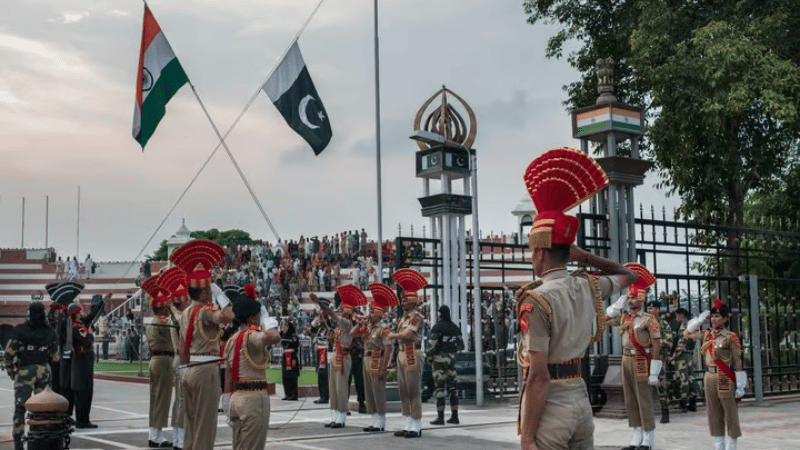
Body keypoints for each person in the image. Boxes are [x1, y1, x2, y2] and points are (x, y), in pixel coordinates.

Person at [517, 148, 638, 450]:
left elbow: (538, 376)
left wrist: (528, 437)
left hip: (552, 406)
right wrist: (586, 257)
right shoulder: (588, 286)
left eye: (532, 251)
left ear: (540, 252)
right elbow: (628, 274)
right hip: (580, 399)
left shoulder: (536, 300)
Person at [173, 240, 233, 450]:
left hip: (189, 369)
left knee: (191, 424)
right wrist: (221, 296)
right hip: (206, 369)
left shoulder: (185, 313)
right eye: (208, 290)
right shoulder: (206, 311)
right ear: (204, 293)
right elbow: (227, 316)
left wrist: (184, 370)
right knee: (205, 426)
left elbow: (183, 347)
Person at [606, 263, 661, 450]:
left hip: (641, 360)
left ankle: (648, 437)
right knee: (630, 399)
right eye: (629, 297)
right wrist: (617, 306)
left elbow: (656, 345)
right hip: (625, 360)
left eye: (633, 298)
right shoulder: (624, 317)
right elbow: (605, 320)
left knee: (643, 399)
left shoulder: (649, 319)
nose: (630, 301)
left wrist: (654, 372)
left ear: (642, 298)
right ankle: (637, 435)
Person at [222, 285, 280, 450]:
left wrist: (226, 400)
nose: (260, 318)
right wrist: (268, 321)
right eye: (258, 315)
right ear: (251, 319)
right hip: (253, 399)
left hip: (236, 398)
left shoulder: (232, 340)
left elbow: (228, 375)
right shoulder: (252, 336)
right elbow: (274, 336)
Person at [684, 299, 745, 450]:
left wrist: (741, 385)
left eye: (717, 316)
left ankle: (732, 444)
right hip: (709, 376)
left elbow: (737, 361)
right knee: (713, 411)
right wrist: (699, 321)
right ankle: (719, 444)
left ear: (724, 318)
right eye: (712, 316)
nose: (713, 319)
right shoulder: (706, 334)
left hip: (724, 375)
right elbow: (687, 333)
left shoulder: (730, 336)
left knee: (729, 411)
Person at [4, 301, 60, 450]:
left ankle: (18, 441)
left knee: (20, 408)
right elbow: (56, 357)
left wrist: (11, 369)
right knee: (41, 408)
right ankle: (39, 437)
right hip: (43, 371)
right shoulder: (50, 332)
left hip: (24, 372)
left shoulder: (20, 330)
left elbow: (8, 354)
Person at [309, 285, 366, 428]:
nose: (339, 312)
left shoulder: (347, 324)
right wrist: (328, 334)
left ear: (346, 313)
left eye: (341, 310)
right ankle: (335, 416)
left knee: (341, 387)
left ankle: (341, 417)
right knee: (333, 387)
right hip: (336, 356)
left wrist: (319, 303)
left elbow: (331, 314)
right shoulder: (339, 328)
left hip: (344, 357)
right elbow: (333, 340)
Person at [387, 268, 428, 438]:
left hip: (412, 354)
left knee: (413, 390)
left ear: (412, 302)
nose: (402, 303)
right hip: (402, 354)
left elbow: (408, 334)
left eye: (405, 301)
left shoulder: (416, 317)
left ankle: (416, 426)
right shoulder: (402, 319)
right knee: (403, 391)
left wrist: (393, 336)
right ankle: (408, 424)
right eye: (402, 300)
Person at [159, 266, 190, 450]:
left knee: (179, 401)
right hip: (182, 359)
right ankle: (180, 440)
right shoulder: (180, 317)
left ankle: (179, 439)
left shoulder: (177, 316)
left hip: (179, 360)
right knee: (182, 402)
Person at [143, 275, 175, 448]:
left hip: (155, 360)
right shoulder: (163, 321)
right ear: (161, 308)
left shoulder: (152, 322)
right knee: (162, 398)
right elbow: (176, 324)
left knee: (155, 397)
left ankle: (153, 433)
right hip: (164, 361)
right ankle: (157, 435)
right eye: (166, 306)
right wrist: (173, 311)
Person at [359, 282, 396, 432]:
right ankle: (374, 419)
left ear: (379, 314)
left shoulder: (383, 328)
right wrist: (363, 323)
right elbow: (357, 335)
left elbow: (388, 348)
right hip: (367, 360)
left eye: (372, 312)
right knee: (369, 391)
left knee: (377, 391)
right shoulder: (368, 328)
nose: (370, 314)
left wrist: (383, 368)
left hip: (377, 359)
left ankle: (381, 421)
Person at [427, 304, 465, 425]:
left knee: (440, 388)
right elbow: (461, 346)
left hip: (439, 359)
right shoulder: (455, 327)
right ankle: (455, 416)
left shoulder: (437, 327)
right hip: (451, 359)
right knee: (452, 388)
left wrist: (430, 357)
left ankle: (440, 417)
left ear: (440, 314)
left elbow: (431, 345)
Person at [68, 301, 98, 428]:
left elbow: (89, 319)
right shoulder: (77, 327)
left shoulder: (77, 325)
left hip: (82, 359)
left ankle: (82, 418)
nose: (82, 313)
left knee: (82, 390)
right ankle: (83, 420)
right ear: (76, 314)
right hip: (83, 359)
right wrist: (90, 333)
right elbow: (87, 342)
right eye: (80, 312)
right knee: (84, 390)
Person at [645, 299, 673, 423]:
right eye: (648, 308)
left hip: (659, 357)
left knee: (661, 384)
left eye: (651, 308)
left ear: (657, 310)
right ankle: (646, 412)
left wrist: (655, 344)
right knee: (644, 385)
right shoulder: (644, 323)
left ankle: (665, 411)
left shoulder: (663, 324)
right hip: (645, 357)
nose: (649, 311)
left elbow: (668, 341)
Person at [671, 307, 699, 413]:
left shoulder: (684, 327)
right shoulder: (691, 326)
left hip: (682, 356)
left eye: (677, 316)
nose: (676, 318)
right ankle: (693, 403)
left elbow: (681, 346)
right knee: (691, 378)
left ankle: (683, 404)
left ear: (681, 316)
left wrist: (672, 357)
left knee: (683, 379)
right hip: (689, 355)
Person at [310, 314, 331, 404]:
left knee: (324, 375)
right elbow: (312, 332)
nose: (320, 319)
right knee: (320, 375)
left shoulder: (328, 327)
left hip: (325, 354)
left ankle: (325, 397)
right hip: (320, 353)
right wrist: (314, 323)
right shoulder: (320, 328)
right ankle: (322, 396)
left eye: (321, 317)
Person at [280, 319, 300, 401]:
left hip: (291, 355)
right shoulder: (282, 334)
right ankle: (287, 393)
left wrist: (294, 358)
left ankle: (293, 394)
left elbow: (295, 347)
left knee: (292, 375)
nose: (283, 327)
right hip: (285, 356)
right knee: (285, 375)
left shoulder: (293, 335)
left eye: (284, 325)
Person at [347, 334, 367, 414]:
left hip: (358, 355)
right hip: (347, 355)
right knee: (346, 382)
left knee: (360, 381)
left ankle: (361, 403)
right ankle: (345, 405)